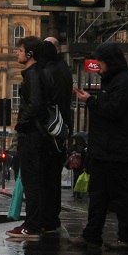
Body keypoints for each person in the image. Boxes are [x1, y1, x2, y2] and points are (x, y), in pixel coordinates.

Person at [69, 42, 128, 251]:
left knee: (122, 198)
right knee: (98, 196)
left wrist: (90, 102)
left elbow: (114, 110)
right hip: (104, 149)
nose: (98, 66)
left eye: (100, 61)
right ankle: (91, 235)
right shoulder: (111, 81)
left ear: (110, 61)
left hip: (117, 150)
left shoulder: (124, 82)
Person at [6, 35, 55, 239]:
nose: (17, 52)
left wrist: (21, 123)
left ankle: (32, 226)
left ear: (30, 53)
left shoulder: (33, 75)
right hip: (35, 133)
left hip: (32, 134)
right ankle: (32, 222)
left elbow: (35, 105)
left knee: (31, 181)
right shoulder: (34, 73)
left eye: (20, 49)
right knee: (33, 180)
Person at [40, 36, 73, 232]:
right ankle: (52, 219)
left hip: (50, 131)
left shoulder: (48, 72)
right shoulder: (64, 70)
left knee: (46, 178)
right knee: (53, 178)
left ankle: (47, 219)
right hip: (61, 130)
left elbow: (43, 104)